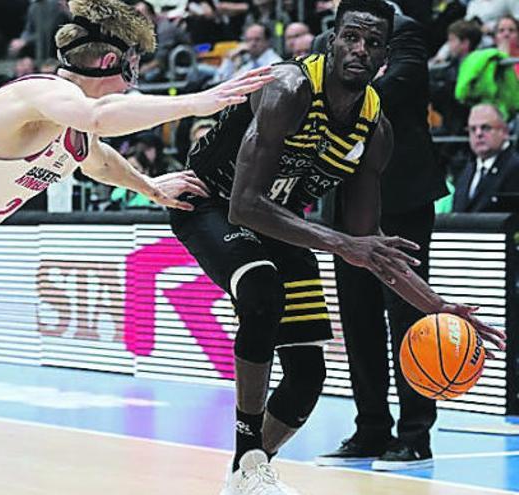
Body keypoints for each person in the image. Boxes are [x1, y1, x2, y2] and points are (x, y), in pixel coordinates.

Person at [0, 0, 274, 493]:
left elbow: (99, 159)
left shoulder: (70, 129)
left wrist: (151, 187)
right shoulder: (40, 94)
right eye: (132, 69)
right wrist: (199, 100)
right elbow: (102, 115)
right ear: (112, 63)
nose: (134, 82)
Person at [168, 1, 505, 493]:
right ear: (332, 39)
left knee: (307, 374)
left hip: (280, 221)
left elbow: (368, 245)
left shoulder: (375, 129)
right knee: (262, 291)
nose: (359, 50)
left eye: (372, 43)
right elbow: (245, 205)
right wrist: (342, 243)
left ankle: (247, 475)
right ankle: (247, 460)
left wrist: (438, 306)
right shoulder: (288, 89)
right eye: (351, 37)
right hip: (210, 203)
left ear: (384, 56)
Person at [315, 0, 451, 472]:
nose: (359, 49)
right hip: (344, 201)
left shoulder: (408, 32)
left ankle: (416, 434)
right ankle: (371, 426)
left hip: (401, 196)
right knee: (358, 320)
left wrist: (340, 91)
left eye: (371, 45)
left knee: (409, 317)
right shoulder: (325, 36)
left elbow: (391, 92)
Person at [453, 103, 519, 212]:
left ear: (505, 132)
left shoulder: (515, 169)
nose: (478, 134)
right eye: (473, 129)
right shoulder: (466, 170)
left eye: (486, 128)